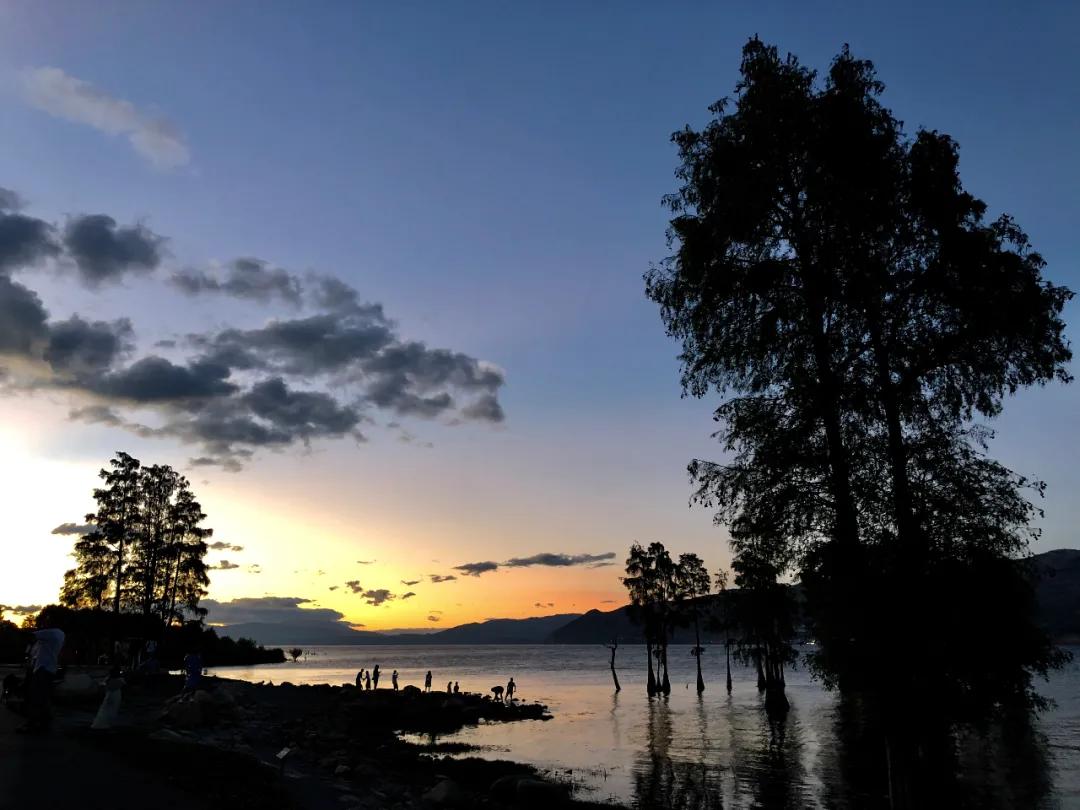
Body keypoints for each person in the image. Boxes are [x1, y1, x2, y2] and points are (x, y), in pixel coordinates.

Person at [18, 621, 65, 734]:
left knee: (35, 697)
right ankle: (44, 723)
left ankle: (32, 724)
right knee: (43, 697)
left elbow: (31, 636)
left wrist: (22, 630)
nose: (43, 625)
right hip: (48, 668)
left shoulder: (50, 633)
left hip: (42, 669)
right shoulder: (60, 634)